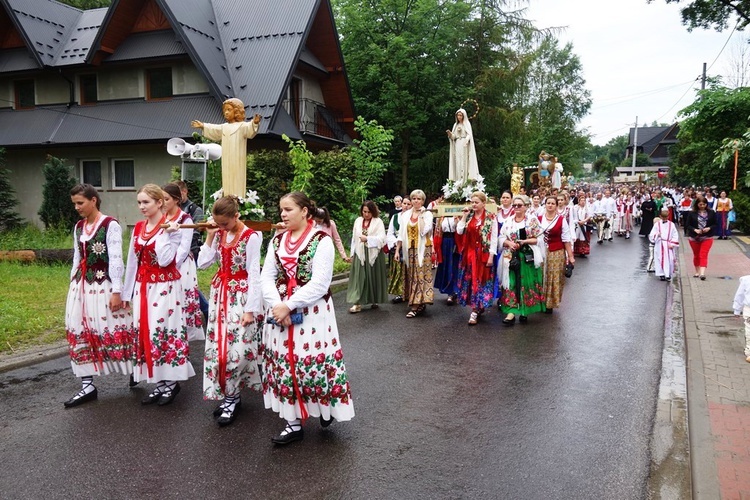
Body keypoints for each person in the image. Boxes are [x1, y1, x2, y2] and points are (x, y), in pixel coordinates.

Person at [260, 191, 354, 445]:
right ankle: (292, 423)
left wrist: (289, 305)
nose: (283, 214)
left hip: (312, 313)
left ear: (304, 211)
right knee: (286, 365)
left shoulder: (321, 240)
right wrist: (278, 305)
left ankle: (325, 408)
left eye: (288, 209)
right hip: (281, 312)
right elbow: (266, 276)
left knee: (310, 364)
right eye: (281, 209)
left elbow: (321, 283)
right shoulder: (277, 241)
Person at [123, 184, 195, 405]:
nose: (141, 207)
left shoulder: (173, 227)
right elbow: (132, 262)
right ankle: (159, 383)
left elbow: (165, 260)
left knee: (161, 331)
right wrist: (127, 293)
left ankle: (171, 383)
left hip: (165, 287)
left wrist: (165, 233)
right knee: (145, 332)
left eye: (146, 202)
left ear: (159, 203)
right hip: (143, 287)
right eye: (139, 202)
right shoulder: (138, 227)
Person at [63, 184, 134, 408]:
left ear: (94, 200)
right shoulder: (79, 227)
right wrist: (73, 284)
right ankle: (87, 384)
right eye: (74, 203)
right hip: (82, 287)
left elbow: (115, 259)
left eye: (80, 203)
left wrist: (117, 291)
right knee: (80, 328)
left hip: (103, 286)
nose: (77, 207)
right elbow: (77, 257)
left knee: (112, 328)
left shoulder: (109, 225)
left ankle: (134, 370)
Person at [196, 195, 263, 426]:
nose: (222, 227)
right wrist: (211, 235)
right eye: (218, 223)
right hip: (219, 296)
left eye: (225, 223)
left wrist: (251, 309)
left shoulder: (251, 237)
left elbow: (255, 274)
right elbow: (202, 264)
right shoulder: (219, 233)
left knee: (238, 350)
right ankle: (231, 396)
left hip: (241, 298)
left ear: (236, 216)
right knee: (219, 349)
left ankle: (233, 395)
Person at [192, 98, 261, 196]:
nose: (226, 113)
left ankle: (238, 199)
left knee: (236, 177)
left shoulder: (242, 126)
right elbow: (214, 129)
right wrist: (203, 126)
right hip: (226, 160)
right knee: (227, 178)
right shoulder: (224, 127)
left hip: (237, 159)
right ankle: (227, 198)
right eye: (225, 111)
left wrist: (255, 123)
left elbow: (250, 129)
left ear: (237, 111)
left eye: (229, 109)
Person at [162, 183, 204, 342]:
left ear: (176, 200)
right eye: (161, 199)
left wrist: (172, 265)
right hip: (163, 263)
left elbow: (184, 247)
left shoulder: (185, 218)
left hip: (181, 265)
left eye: (166, 199)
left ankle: (184, 335)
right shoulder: (162, 217)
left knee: (183, 299)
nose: (163, 203)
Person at [498, 195, 545, 325]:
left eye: (519, 205)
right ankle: (511, 312)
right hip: (511, 257)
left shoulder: (532, 221)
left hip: (527, 257)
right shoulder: (508, 221)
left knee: (526, 282)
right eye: (514, 205)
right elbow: (501, 238)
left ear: (526, 206)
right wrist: (509, 243)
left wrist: (524, 241)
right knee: (511, 282)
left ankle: (525, 310)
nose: (517, 208)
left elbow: (539, 239)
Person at [455, 192, 497, 325]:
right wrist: (464, 216)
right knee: (472, 280)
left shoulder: (491, 218)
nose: (474, 204)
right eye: (472, 202)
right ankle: (475, 309)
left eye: (476, 202)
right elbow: (459, 231)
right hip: (470, 254)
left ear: (484, 203)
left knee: (482, 280)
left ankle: (478, 307)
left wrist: (491, 256)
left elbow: (494, 238)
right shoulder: (469, 217)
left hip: (483, 254)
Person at [396, 189, 434, 318]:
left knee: (420, 275)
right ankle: (419, 301)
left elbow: (424, 231)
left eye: (419, 199)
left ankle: (415, 305)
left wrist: (421, 216)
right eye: (414, 199)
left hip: (423, 250)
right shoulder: (405, 215)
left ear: (423, 201)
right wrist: (397, 250)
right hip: (410, 250)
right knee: (412, 276)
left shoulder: (427, 214)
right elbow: (401, 234)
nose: (416, 201)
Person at [346, 201, 388, 313]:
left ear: (373, 211)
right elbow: (354, 239)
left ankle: (374, 299)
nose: (366, 214)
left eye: (369, 212)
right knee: (359, 278)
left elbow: (382, 239)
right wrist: (352, 254)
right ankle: (357, 303)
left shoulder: (378, 222)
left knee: (373, 277)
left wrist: (368, 239)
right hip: (360, 252)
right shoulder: (358, 221)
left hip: (374, 252)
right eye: (364, 211)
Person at [176, 180, 209, 321]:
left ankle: (206, 308)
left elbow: (198, 231)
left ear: (185, 192)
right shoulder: (172, 209)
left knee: (188, 284)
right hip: (175, 252)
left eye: (179, 194)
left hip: (191, 251)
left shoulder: (195, 209)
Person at [538, 195, 575, 313]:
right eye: (548, 203)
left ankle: (550, 303)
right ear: (545, 205)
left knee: (554, 277)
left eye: (552, 203)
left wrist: (571, 256)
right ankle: (539, 301)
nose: (550, 205)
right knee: (541, 275)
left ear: (556, 205)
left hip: (557, 252)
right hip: (540, 251)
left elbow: (566, 239)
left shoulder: (561, 220)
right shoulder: (537, 218)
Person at [684, 196, 718, 280]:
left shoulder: (711, 212)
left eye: (704, 204)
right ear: (697, 204)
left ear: (706, 204)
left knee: (703, 254)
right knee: (696, 255)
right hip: (694, 237)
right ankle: (697, 271)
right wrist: (695, 230)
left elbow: (715, 224)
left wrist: (709, 228)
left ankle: (702, 273)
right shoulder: (692, 213)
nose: (702, 206)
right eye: (700, 204)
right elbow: (687, 225)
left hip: (707, 237)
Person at [433, 210, 461, 305]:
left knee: (453, 266)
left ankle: (453, 291)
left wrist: (458, 221)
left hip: (454, 241)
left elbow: (460, 231)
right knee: (445, 265)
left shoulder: (457, 215)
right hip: (444, 242)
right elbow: (437, 231)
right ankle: (448, 290)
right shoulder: (441, 217)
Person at [446, 108, 480, 182]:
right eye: (458, 115)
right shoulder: (455, 125)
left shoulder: (467, 124)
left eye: (460, 115)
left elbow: (469, 134)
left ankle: (465, 180)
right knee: (458, 162)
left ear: (464, 116)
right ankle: (458, 180)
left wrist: (467, 140)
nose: (459, 117)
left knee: (464, 161)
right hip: (457, 144)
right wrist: (450, 134)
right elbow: (454, 137)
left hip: (464, 144)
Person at [387, 197, 411, 303]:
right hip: (397, 246)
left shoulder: (412, 217)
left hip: (409, 247)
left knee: (409, 271)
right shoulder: (395, 217)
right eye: (404, 203)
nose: (405, 205)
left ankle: (410, 292)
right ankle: (400, 293)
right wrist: (395, 244)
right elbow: (390, 232)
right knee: (398, 271)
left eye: (408, 204)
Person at [649, 207, 679, 282]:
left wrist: (672, 243)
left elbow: (675, 234)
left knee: (670, 259)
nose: (665, 219)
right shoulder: (657, 225)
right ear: (660, 217)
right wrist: (657, 235)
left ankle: (668, 274)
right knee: (659, 258)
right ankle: (661, 274)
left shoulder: (671, 224)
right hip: (660, 243)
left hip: (668, 244)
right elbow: (652, 234)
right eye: (663, 217)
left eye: (667, 217)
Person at [732, 275, 750, 364]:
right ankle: (749, 351)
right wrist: (737, 309)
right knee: (749, 330)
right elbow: (740, 295)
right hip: (749, 309)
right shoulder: (746, 280)